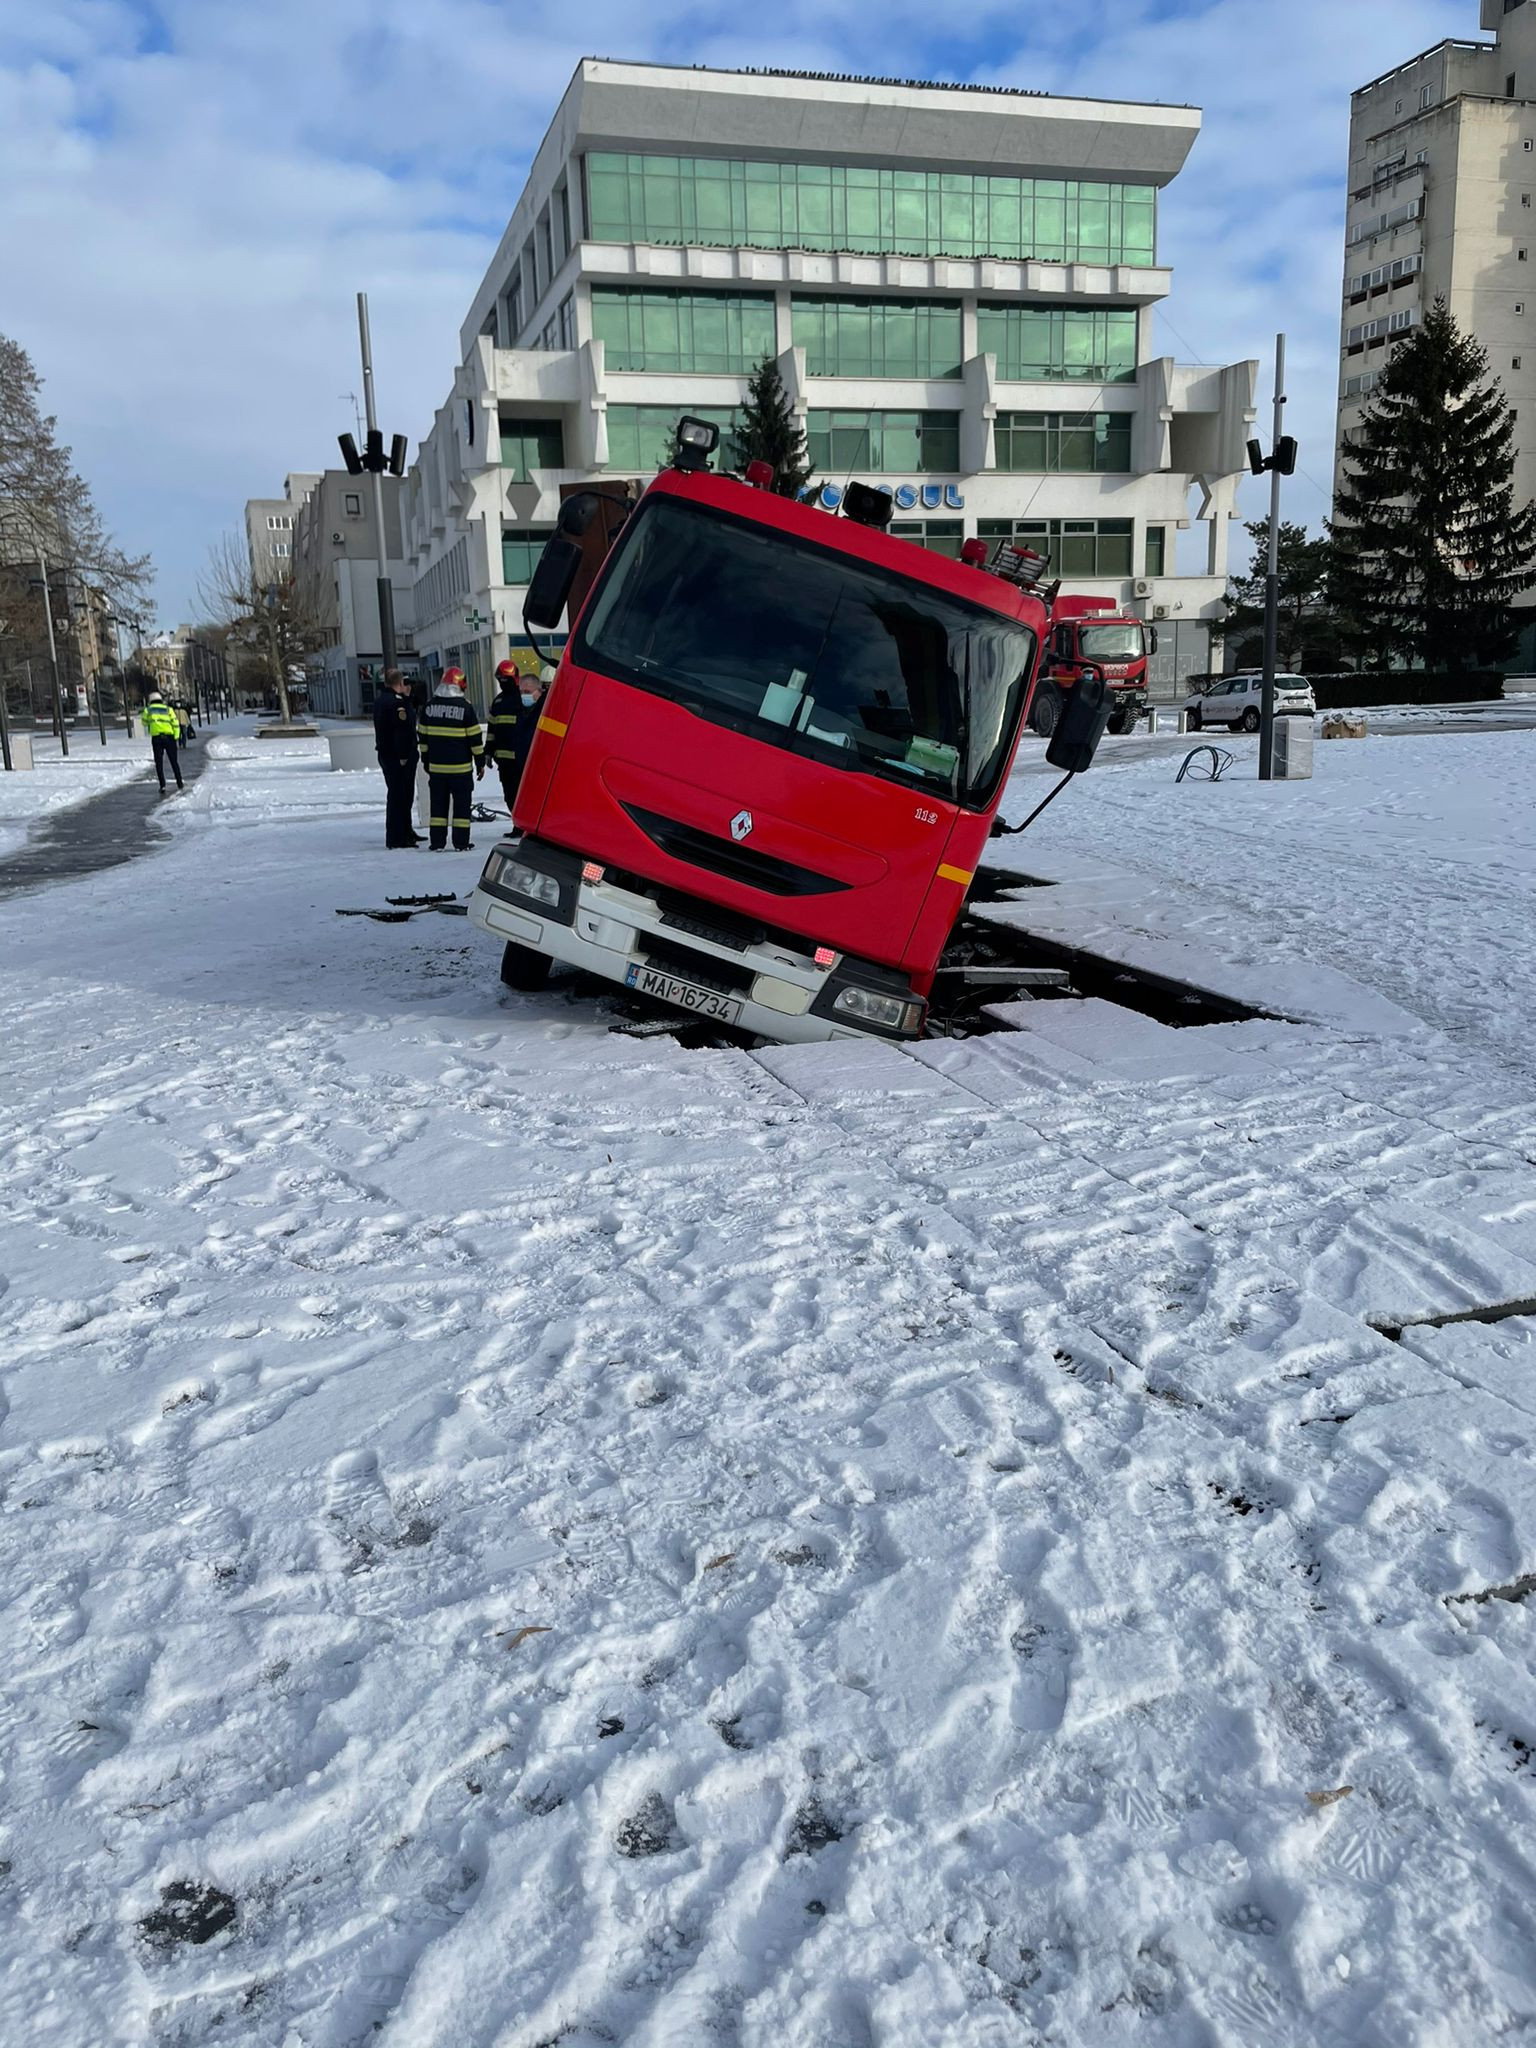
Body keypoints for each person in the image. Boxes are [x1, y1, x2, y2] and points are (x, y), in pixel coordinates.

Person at [417, 666, 485, 851]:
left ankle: (437, 842)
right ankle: (461, 843)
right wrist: (480, 762)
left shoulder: (429, 707)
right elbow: (475, 739)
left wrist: (426, 760)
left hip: (437, 769)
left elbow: (423, 737)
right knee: (461, 808)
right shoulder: (466, 708)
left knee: (438, 807)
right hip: (461, 770)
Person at [485, 657, 544, 816]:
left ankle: (523, 823)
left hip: (521, 760)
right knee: (510, 797)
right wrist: (488, 752)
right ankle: (518, 822)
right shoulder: (498, 702)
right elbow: (491, 730)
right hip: (504, 763)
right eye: (501, 680)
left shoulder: (523, 700)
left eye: (506, 680)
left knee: (525, 796)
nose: (503, 684)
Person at [373, 668, 421, 848]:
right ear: (400, 683)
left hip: (387, 755)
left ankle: (406, 831)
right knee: (399, 797)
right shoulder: (396, 703)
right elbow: (401, 731)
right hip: (398, 757)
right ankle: (397, 837)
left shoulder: (381, 700)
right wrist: (403, 756)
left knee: (401, 795)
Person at [142, 691, 183, 793]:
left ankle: (162, 785)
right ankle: (179, 782)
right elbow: (175, 723)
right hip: (169, 737)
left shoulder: (148, 710)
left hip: (156, 738)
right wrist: (176, 736)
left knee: (159, 763)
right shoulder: (168, 709)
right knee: (174, 761)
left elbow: (144, 722)